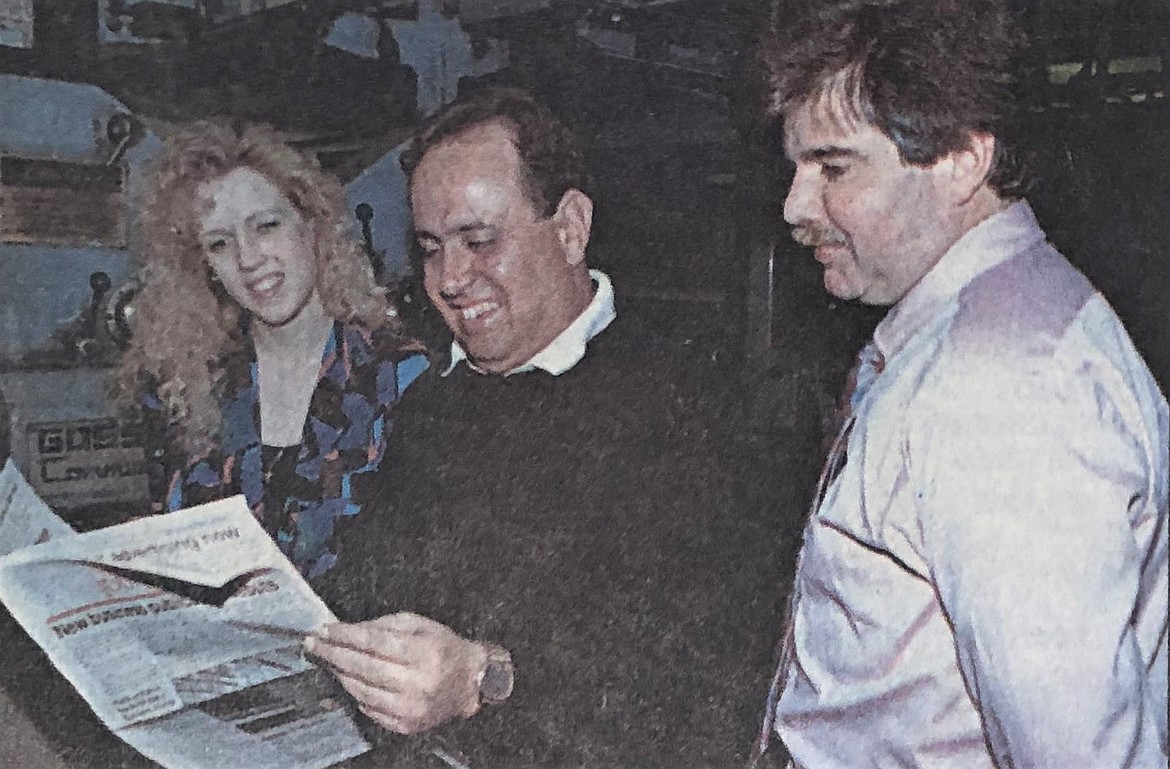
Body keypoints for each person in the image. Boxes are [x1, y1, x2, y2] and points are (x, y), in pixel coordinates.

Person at [752, 1, 1168, 767]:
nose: (794, 205)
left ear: (961, 161)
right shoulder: (978, 332)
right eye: (796, 168)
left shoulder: (1001, 390)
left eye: (833, 167)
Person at [307, 86, 775, 767]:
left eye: (480, 240)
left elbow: (696, 688)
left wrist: (481, 677)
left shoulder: (698, 408)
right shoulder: (430, 408)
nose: (451, 279)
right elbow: (371, 595)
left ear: (570, 228)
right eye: (432, 248)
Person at [118, 120, 427, 580]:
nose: (247, 259)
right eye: (220, 243)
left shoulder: (402, 373)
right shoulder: (185, 390)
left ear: (311, 224)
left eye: (265, 226)